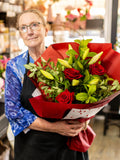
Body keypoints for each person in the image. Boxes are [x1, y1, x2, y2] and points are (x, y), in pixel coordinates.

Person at [5, 9, 89, 160]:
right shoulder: (15, 66)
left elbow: (85, 96)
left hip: (67, 144)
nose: (29, 31)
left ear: (46, 29)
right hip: (33, 146)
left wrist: (84, 119)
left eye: (34, 25)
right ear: (20, 33)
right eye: (23, 27)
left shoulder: (65, 59)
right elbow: (13, 111)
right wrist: (56, 128)